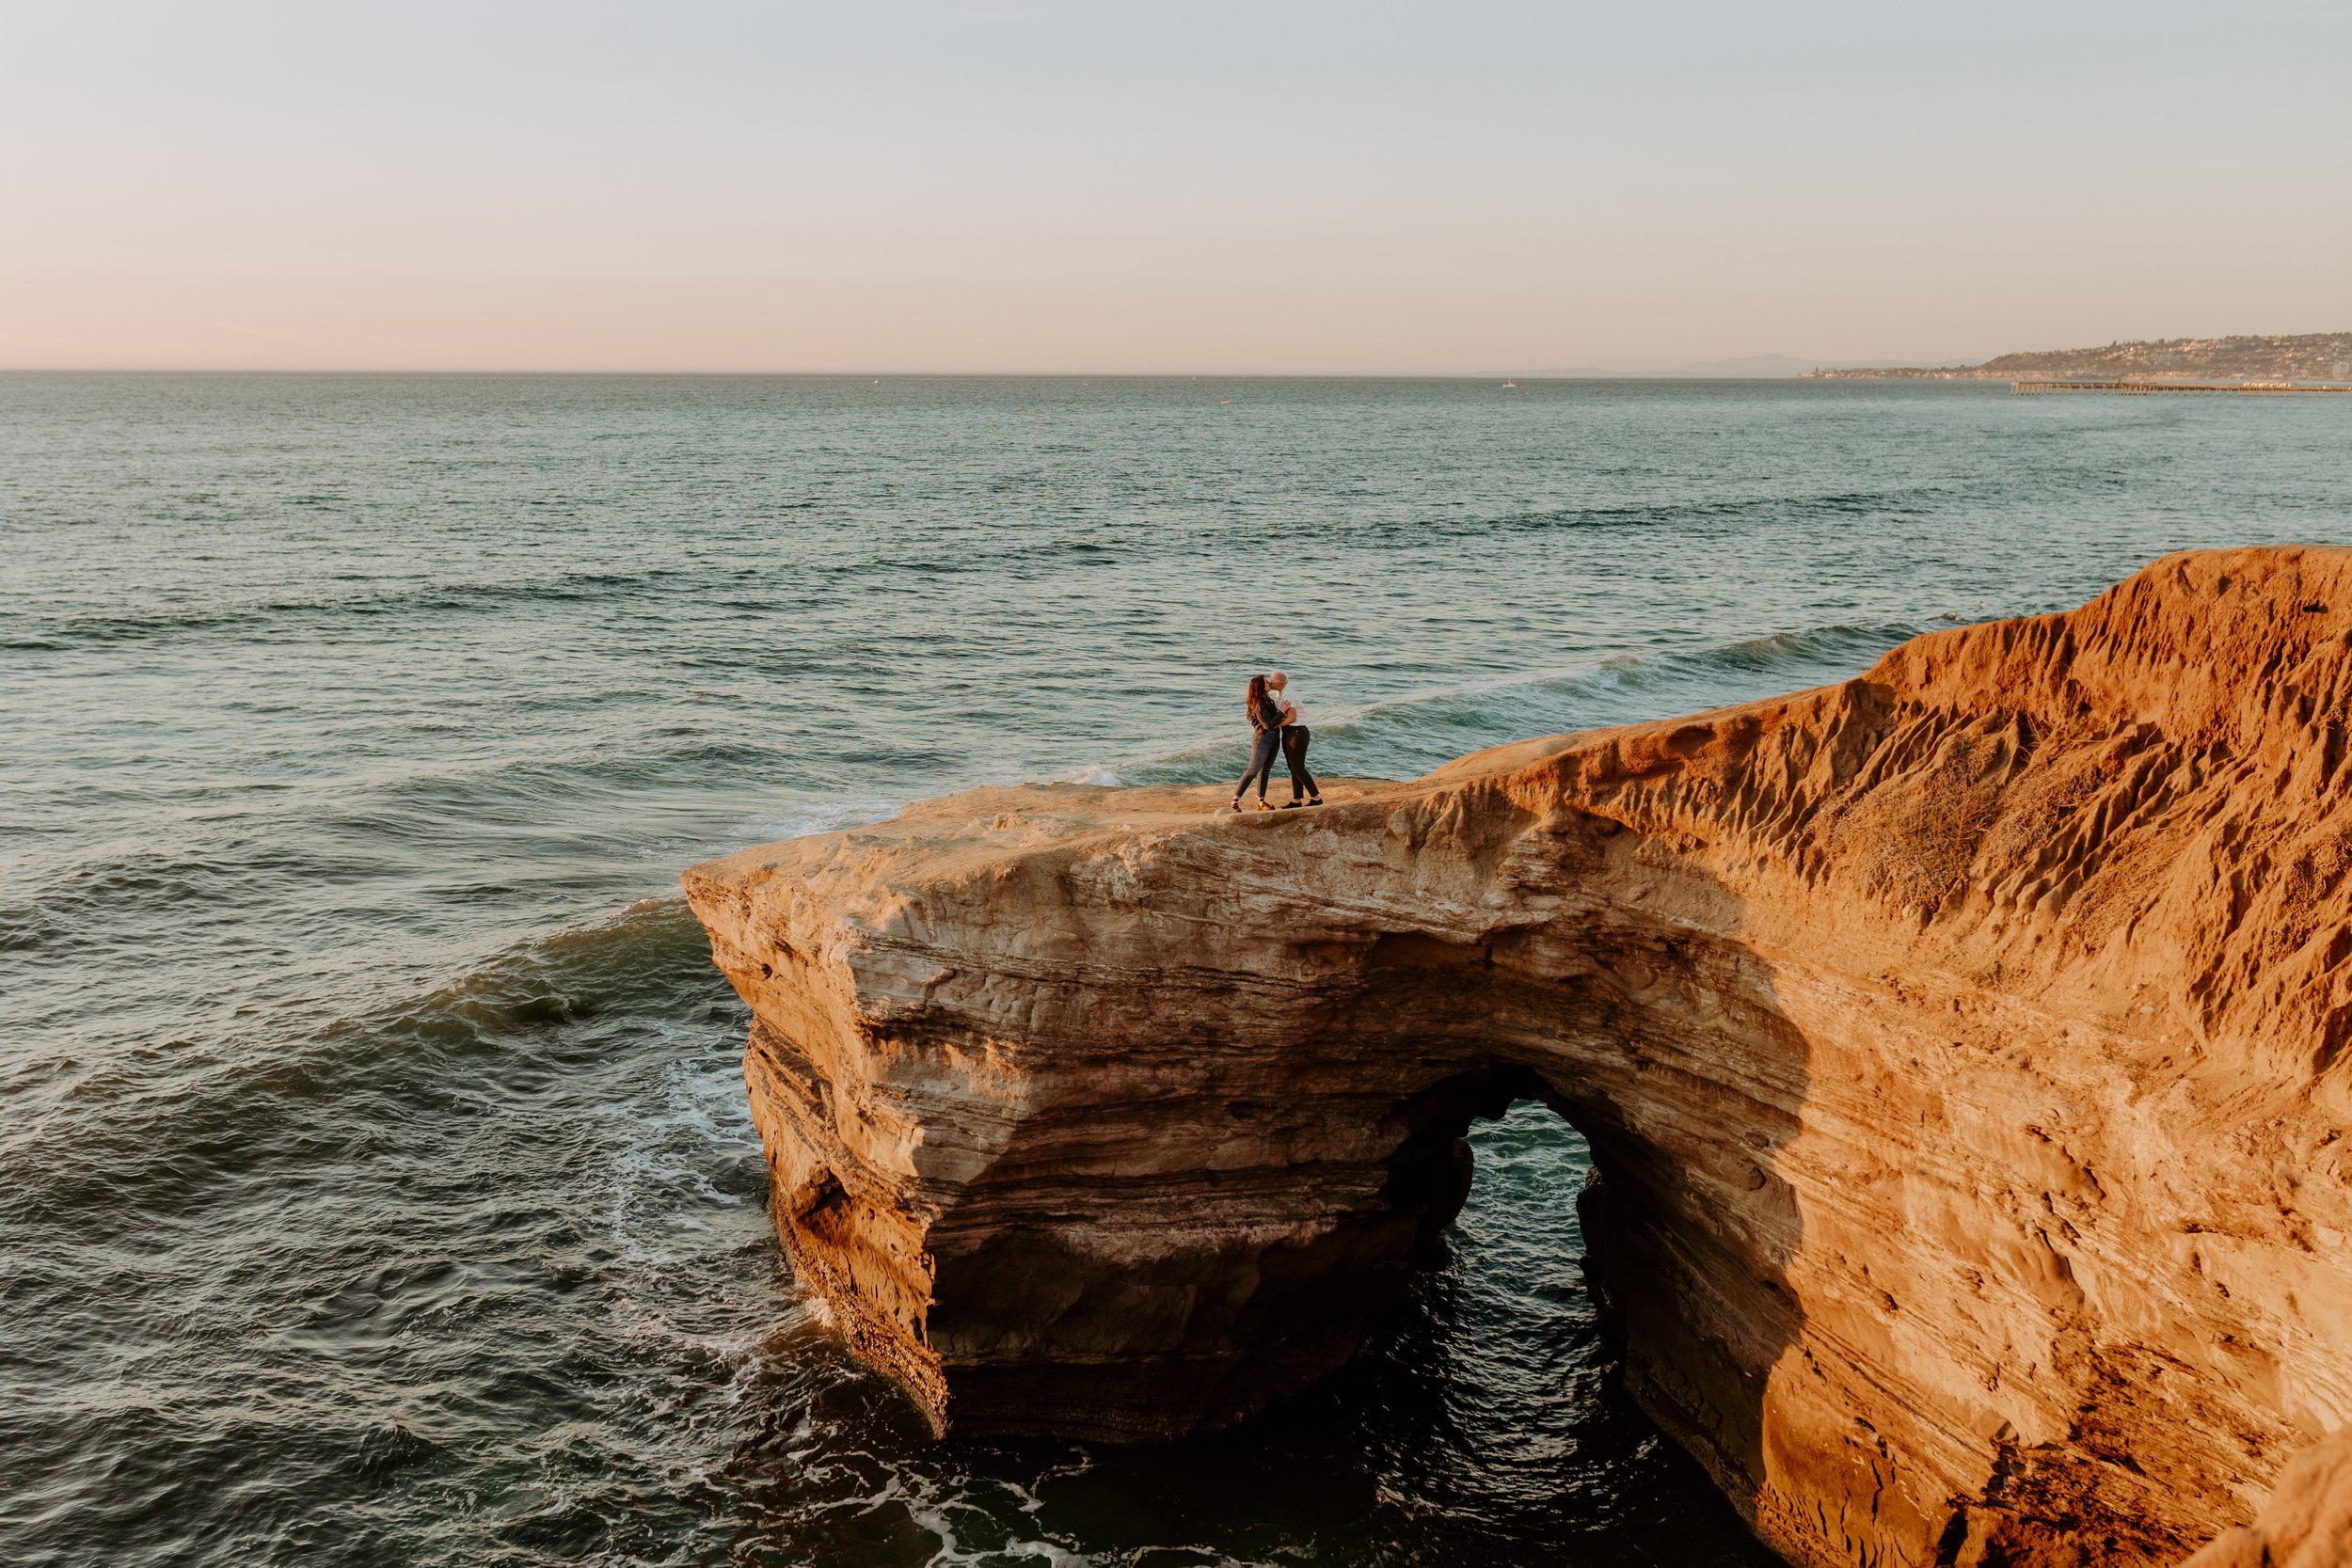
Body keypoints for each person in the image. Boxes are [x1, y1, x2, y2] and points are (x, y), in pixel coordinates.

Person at [1231, 673, 1286, 811]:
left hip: (1274, 737)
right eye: (1266, 682)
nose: (1269, 683)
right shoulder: (1258, 703)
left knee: (1265, 770)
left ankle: (1261, 802)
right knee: (1253, 771)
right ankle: (1234, 801)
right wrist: (1282, 712)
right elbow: (1267, 724)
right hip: (1263, 739)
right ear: (1260, 686)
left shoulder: (1266, 699)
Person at [1268, 670, 1321, 807]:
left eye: (1271, 681)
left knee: (1298, 767)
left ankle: (1316, 797)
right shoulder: (1280, 692)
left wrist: (1275, 726)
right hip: (1289, 732)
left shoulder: (1288, 695)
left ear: (1278, 684)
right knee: (1293, 767)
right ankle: (1297, 800)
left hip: (1296, 732)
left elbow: (1292, 718)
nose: (1270, 683)